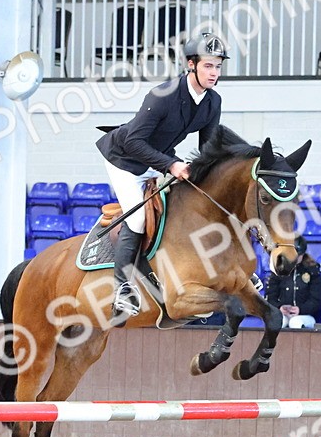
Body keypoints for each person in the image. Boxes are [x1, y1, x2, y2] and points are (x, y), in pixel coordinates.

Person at [96, 31, 227, 321]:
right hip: (124, 160)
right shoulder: (162, 95)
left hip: (160, 157)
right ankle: (123, 288)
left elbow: (208, 148)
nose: (214, 72)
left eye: (218, 66)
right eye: (208, 65)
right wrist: (171, 165)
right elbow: (133, 142)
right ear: (190, 64)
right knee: (139, 218)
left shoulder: (212, 102)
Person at [265, 236, 321, 329]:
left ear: (303, 254)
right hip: (282, 314)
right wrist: (279, 308)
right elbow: (270, 296)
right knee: (278, 322)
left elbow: (316, 300)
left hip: (305, 315)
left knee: (295, 323)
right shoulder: (278, 270)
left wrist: (300, 309)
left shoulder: (312, 271)